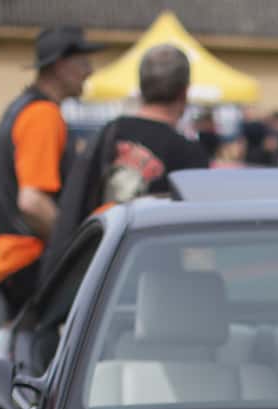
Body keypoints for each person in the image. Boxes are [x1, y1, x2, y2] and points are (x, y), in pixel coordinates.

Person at [43, 44, 207, 273]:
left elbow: (71, 214)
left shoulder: (106, 136)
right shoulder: (190, 154)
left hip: (102, 281)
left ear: (141, 88)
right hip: (160, 282)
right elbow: (198, 242)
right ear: (184, 92)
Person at [0, 23, 102, 325]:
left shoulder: (21, 108)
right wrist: (77, 250)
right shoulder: (43, 116)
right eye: (84, 62)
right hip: (29, 263)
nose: (90, 71)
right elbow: (32, 202)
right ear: (61, 65)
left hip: (13, 262)